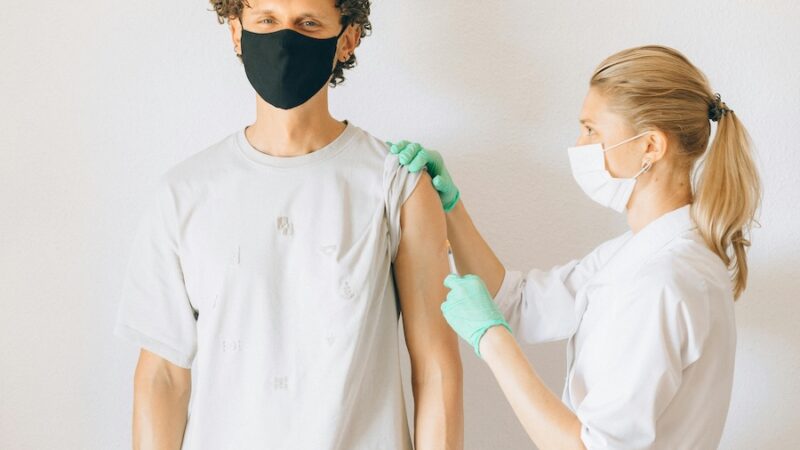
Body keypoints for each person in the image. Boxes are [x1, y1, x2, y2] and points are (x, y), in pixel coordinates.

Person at [113, 0, 464, 448]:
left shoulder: (396, 184)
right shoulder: (184, 193)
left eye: (308, 23)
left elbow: (435, 368)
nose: (283, 40)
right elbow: (162, 375)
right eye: (267, 20)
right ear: (236, 31)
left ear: (347, 39)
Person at [389, 45, 760, 449]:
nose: (579, 145)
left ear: (651, 146)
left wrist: (491, 338)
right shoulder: (634, 254)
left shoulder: (661, 282)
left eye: (591, 130)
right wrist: (453, 209)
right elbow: (519, 302)